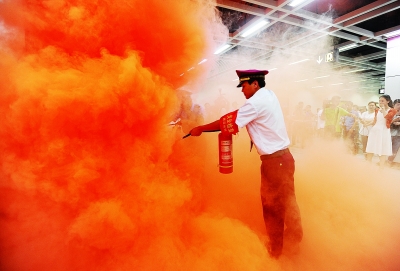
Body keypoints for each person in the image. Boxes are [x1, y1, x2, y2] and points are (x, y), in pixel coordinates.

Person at [188, 69, 303, 258]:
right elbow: (237, 114)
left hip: (275, 163)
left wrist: (201, 128)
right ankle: (294, 243)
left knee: (273, 208)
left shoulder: (256, 103)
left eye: (244, 85)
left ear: (255, 84)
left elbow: (229, 122)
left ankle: (276, 253)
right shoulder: (268, 95)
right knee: (288, 202)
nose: (242, 90)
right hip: (284, 160)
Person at [365, 95, 397, 168]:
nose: (380, 102)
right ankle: (368, 165)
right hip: (375, 130)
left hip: (384, 131)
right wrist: (367, 124)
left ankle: (381, 168)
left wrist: (383, 111)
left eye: (382, 101)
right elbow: (375, 120)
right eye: (379, 101)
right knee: (370, 147)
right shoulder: (377, 110)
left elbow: (388, 118)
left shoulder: (393, 110)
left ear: (388, 101)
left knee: (383, 149)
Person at [388, 99, 400, 166]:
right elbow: (385, 123)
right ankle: (383, 161)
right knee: (386, 148)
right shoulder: (390, 113)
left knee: (394, 150)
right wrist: (393, 121)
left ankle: (389, 162)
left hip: (398, 135)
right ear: (393, 105)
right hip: (389, 134)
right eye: (398, 104)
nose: (399, 106)